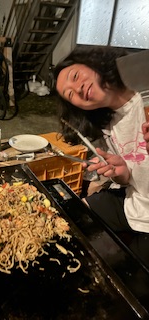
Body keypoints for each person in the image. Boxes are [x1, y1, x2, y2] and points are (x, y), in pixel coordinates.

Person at [54, 45, 149, 268]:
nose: (77, 89)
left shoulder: (144, 94)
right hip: (136, 202)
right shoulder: (106, 124)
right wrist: (121, 174)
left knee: (128, 281)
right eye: (70, 95)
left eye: (75, 76)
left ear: (92, 63)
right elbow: (131, 178)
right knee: (70, 216)